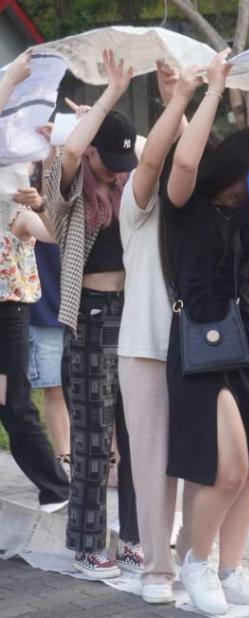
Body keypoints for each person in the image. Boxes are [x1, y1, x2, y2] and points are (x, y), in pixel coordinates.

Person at [161, 49, 249, 616]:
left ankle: (230, 569)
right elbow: (184, 164)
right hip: (199, 342)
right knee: (226, 468)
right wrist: (211, 88)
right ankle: (197, 563)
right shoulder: (186, 205)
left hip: (247, 340)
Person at [41, 49, 141, 579]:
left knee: (137, 433)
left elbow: (153, 152)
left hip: (134, 312)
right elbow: (76, 151)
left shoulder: (128, 185)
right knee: (93, 438)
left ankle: (134, 538)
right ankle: (85, 543)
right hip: (91, 317)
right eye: (109, 163)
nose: (117, 174)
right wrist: (110, 97)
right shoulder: (69, 189)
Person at [116, 60, 202, 605]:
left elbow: (194, 160)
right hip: (145, 348)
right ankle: (156, 570)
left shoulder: (195, 209)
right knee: (152, 467)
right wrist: (179, 100)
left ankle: (196, 559)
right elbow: (155, 160)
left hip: (197, 349)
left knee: (202, 461)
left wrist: (182, 102)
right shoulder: (138, 201)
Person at [0, 50, 70, 514]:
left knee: (14, 400)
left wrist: (40, 203)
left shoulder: (16, 211)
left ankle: (57, 487)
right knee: (11, 401)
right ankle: (55, 486)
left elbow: (54, 235)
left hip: (8, 307)